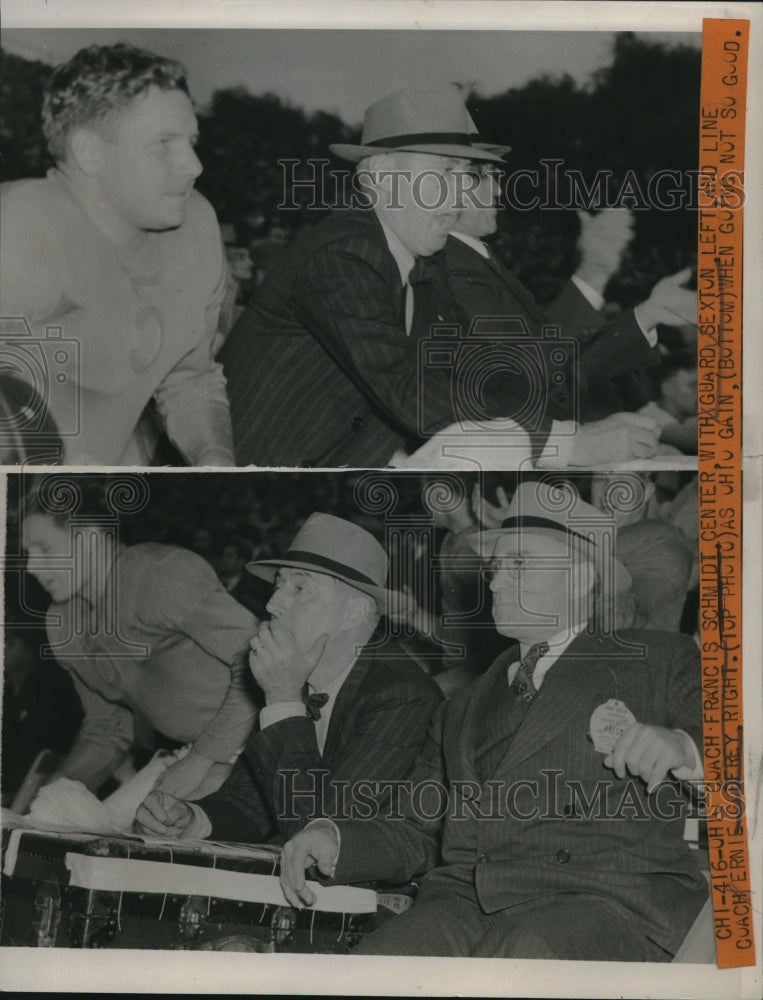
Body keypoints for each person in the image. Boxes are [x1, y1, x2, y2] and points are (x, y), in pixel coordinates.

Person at [280, 481, 708, 961]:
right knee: (377, 964)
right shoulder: (462, 705)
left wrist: (684, 750)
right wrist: (334, 838)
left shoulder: (658, 661)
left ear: (580, 577)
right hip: (466, 901)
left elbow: (741, 771)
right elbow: (417, 827)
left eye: (519, 563)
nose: (496, 582)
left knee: (520, 953)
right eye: (496, 566)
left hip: (603, 901)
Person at [220, 84, 658, 469]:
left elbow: (474, 383)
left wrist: (581, 426)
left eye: (464, 175)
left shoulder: (423, 265)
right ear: (379, 179)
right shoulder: (342, 256)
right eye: (443, 173)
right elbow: (412, 393)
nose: (460, 193)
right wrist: (572, 443)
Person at [135, 513, 443, 843]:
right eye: (279, 584)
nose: (272, 603)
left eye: (299, 588)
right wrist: (192, 819)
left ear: (353, 612)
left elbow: (322, 828)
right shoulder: (298, 679)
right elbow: (250, 804)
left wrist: (283, 699)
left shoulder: (403, 696)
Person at [0, 43, 235, 466]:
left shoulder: (195, 227)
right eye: (163, 143)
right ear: (90, 153)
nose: (194, 165)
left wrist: (214, 458)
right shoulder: (20, 229)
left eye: (191, 141)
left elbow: (191, 380)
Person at [21, 478, 258, 799]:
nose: (32, 567)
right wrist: (60, 788)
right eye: (28, 554)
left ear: (89, 537)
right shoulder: (62, 622)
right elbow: (108, 728)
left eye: (45, 549)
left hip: (259, 746)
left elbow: (263, 665)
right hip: (187, 757)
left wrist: (203, 758)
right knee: (48, 822)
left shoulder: (162, 575)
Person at [445, 160, 699, 442]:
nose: (497, 188)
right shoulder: (449, 265)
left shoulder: (476, 260)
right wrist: (593, 271)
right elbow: (526, 372)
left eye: (495, 175)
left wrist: (648, 313)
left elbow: (565, 367)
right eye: (480, 176)